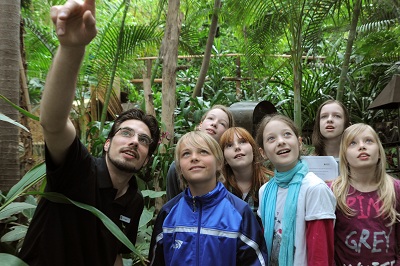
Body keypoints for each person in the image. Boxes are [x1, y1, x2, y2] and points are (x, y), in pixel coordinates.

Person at [18, 1, 160, 265]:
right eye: (126, 133)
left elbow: (113, 253)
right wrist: (72, 49)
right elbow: (53, 122)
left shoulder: (134, 200)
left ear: (147, 158)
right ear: (107, 144)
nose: (133, 142)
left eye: (143, 140)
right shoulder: (78, 170)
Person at [149, 131, 268, 266]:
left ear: (219, 163)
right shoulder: (168, 213)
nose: (194, 158)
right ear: (179, 168)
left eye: (203, 152)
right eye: (186, 154)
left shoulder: (239, 212)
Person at [255, 113, 336, 266]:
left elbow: (320, 256)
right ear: (263, 152)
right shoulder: (265, 191)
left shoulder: (314, 189)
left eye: (287, 134)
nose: (281, 142)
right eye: (271, 139)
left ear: (299, 143)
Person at [330, 123, 400, 265]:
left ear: (379, 152)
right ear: (344, 156)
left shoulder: (395, 189)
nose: (362, 146)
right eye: (353, 143)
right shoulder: (333, 191)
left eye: (369, 141)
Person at [166, 105, 235, 200]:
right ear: (200, 125)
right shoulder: (178, 166)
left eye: (222, 124)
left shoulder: (231, 164)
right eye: (210, 118)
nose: (214, 124)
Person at [219, 127, 273, 220]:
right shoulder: (219, 190)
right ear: (223, 158)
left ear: (253, 149)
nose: (237, 147)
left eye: (242, 141)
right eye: (229, 145)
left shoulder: (272, 183)